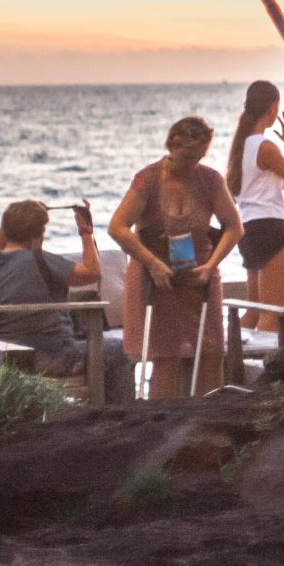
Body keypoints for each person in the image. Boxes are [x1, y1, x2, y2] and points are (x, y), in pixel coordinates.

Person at [110, 115, 242, 400]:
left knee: (211, 351)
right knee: (165, 356)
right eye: (187, 157)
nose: (192, 164)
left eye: (199, 157)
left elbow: (234, 227)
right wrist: (152, 263)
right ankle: (163, 417)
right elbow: (117, 227)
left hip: (199, 274)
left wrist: (212, 265)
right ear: (172, 147)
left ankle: (210, 414)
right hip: (157, 277)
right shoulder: (148, 179)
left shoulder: (210, 179)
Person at [0, 199, 105, 377]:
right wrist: (85, 231)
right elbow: (93, 272)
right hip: (52, 356)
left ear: (5, 228)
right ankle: (108, 397)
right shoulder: (40, 260)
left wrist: (23, 215)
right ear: (39, 234)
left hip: (6, 356)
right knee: (118, 352)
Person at [227, 80, 284, 333]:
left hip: (248, 231)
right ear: (273, 107)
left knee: (253, 313)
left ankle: (233, 355)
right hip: (270, 229)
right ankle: (269, 360)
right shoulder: (266, 147)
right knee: (270, 316)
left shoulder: (241, 146)